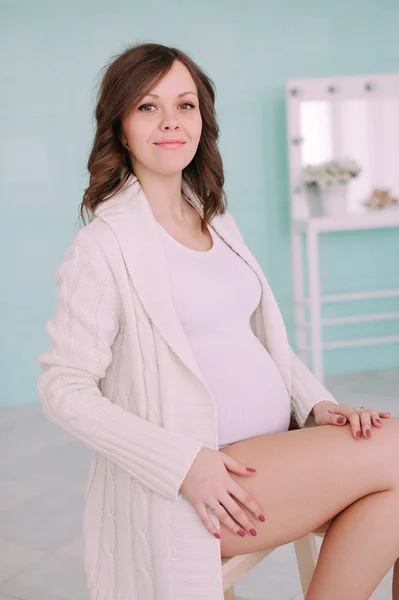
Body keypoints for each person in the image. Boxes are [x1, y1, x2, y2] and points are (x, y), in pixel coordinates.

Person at [36, 42, 399, 600]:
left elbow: (256, 339)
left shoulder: (215, 216)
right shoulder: (103, 247)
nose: (171, 123)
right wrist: (184, 466)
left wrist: (316, 406)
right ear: (120, 125)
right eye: (147, 107)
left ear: (203, 119)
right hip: (212, 482)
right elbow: (63, 389)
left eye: (185, 105)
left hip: (273, 447)